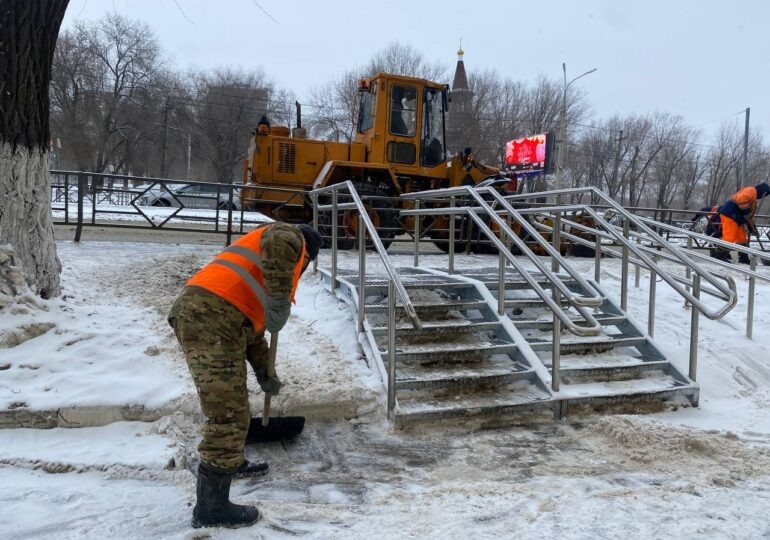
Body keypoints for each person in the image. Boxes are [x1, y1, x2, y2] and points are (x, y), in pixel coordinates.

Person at [168, 222, 322, 529]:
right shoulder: (291, 237)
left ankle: (231, 461)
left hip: (215, 315)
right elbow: (280, 237)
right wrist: (279, 298)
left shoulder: (252, 277)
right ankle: (211, 508)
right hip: (209, 317)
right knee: (228, 414)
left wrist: (266, 371)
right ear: (306, 255)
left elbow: (252, 335)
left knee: (234, 402)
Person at [714, 182, 770, 263]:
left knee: (742, 239)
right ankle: (720, 256)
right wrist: (746, 211)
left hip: (737, 219)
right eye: (765, 194)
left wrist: (752, 227)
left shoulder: (753, 197)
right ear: (762, 191)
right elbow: (741, 199)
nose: (763, 196)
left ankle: (743, 258)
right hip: (730, 214)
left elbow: (748, 216)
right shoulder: (751, 190)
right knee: (729, 237)